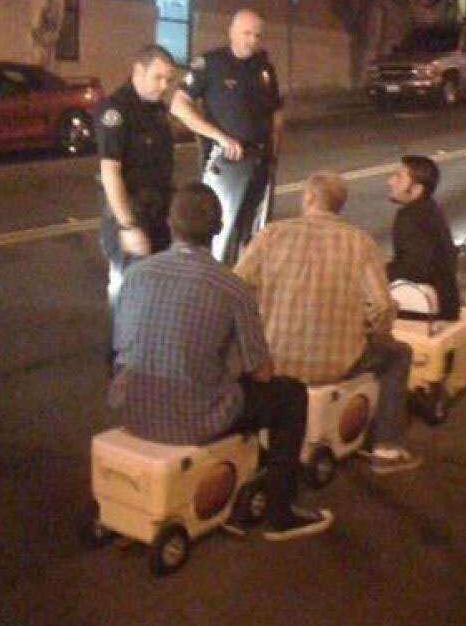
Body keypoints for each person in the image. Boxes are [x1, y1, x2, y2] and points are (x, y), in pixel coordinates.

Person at [109, 182, 333, 541]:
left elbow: (120, 347)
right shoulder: (230, 287)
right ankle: (281, 511)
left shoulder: (135, 275)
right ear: (218, 229)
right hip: (191, 418)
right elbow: (261, 371)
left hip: (129, 407)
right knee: (289, 395)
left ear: (169, 223)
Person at [235, 171, 421, 475]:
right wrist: (377, 334)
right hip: (338, 362)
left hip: (275, 360)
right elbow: (382, 306)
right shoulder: (360, 243)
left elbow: (237, 287)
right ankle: (386, 447)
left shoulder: (271, 235)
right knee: (399, 355)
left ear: (308, 198)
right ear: (339, 206)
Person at [170, 9, 284, 266]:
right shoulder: (210, 64)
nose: (252, 40)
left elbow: (276, 114)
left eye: (257, 35)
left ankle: (243, 292)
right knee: (218, 233)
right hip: (225, 163)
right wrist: (219, 137)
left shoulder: (264, 69)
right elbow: (179, 105)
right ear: (231, 31)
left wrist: (275, 152)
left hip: (261, 162)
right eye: (246, 33)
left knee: (255, 236)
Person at [95, 44, 177, 306]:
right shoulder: (116, 111)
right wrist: (128, 225)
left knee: (154, 294)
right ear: (138, 72)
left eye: (168, 79)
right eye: (158, 77)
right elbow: (110, 172)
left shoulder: (157, 110)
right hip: (131, 213)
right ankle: (120, 347)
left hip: (158, 213)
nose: (164, 85)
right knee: (127, 294)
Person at [387, 156, 460, 321]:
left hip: (429, 309)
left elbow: (414, 270)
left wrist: (376, 273)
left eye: (399, 177)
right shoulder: (429, 209)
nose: (390, 181)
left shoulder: (411, 218)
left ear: (417, 189)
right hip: (445, 302)